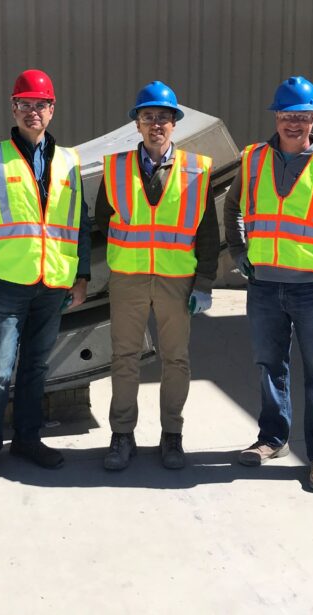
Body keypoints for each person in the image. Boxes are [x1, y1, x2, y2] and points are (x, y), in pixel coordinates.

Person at [224, 76, 313, 492]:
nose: (294, 123)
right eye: (287, 115)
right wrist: (238, 250)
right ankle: (272, 439)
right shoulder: (253, 160)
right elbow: (232, 206)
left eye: (303, 116)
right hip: (265, 286)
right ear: (276, 117)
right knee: (269, 367)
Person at [0, 68, 91, 486]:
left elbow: (80, 225)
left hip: (53, 285)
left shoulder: (69, 161)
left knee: (36, 367)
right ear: (13, 108)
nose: (33, 112)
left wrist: (82, 275)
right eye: (25, 104)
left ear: (52, 110)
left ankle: (28, 439)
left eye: (41, 105)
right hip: (5, 285)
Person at [95, 81, 219, 471]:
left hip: (176, 282)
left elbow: (209, 233)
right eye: (148, 117)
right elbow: (103, 221)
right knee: (124, 358)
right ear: (137, 124)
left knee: (176, 360)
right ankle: (122, 435)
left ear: (174, 124)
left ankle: (173, 436)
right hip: (128, 279)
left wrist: (203, 284)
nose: (156, 124)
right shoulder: (114, 168)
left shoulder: (197, 170)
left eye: (163, 118)